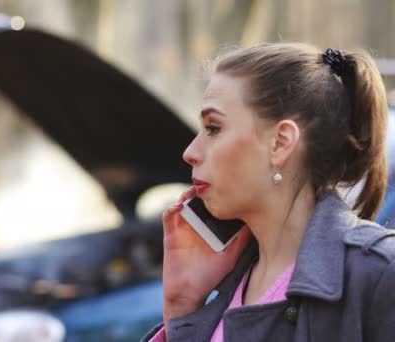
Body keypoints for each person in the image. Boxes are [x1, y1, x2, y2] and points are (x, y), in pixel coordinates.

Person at [142, 43, 395, 342]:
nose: (190, 152)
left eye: (213, 128)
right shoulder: (228, 285)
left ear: (280, 143)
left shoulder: (380, 274)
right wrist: (181, 306)